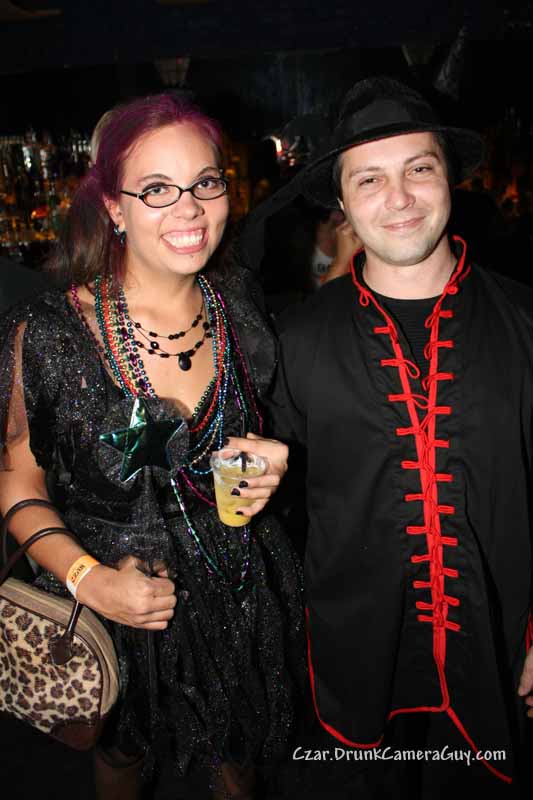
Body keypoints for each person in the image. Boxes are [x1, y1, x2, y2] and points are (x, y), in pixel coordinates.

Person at [0, 92, 305, 800]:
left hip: (236, 587)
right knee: (121, 760)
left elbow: (253, 439)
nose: (189, 209)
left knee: (239, 765)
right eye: (158, 189)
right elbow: (16, 484)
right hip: (115, 596)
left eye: (205, 182)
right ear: (114, 207)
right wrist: (89, 580)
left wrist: (267, 463)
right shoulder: (48, 333)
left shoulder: (240, 308)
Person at [250, 76, 533, 797]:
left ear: (449, 178)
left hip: (501, 655)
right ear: (342, 205)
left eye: (419, 168)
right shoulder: (293, 342)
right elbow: (264, 511)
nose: (399, 197)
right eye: (369, 179)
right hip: (352, 669)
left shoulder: (527, 322)